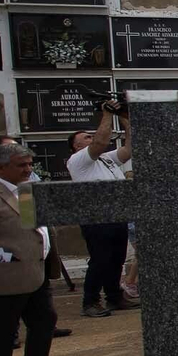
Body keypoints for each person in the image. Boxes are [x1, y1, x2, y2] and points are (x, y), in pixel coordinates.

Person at [0, 142, 66, 356]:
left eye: (29, 164)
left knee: (45, 321)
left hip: (35, 271)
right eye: (21, 165)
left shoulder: (27, 190)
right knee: (2, 333)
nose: (28, 169)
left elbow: (34, 227)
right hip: (5, 278)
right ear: (0, 167)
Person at [66, 101, 137, 319]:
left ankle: (114, 297)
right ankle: (91, 301)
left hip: (116, 215)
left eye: (90, 135)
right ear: (77, 147)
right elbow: (100, 141)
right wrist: (106, 114)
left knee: (117, 258)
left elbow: (130, 147)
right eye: (85, 138)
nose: (91, 138)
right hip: (96, 218)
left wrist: (124, 117)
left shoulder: (106, 159)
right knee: (100, 260)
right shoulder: (78, 160)